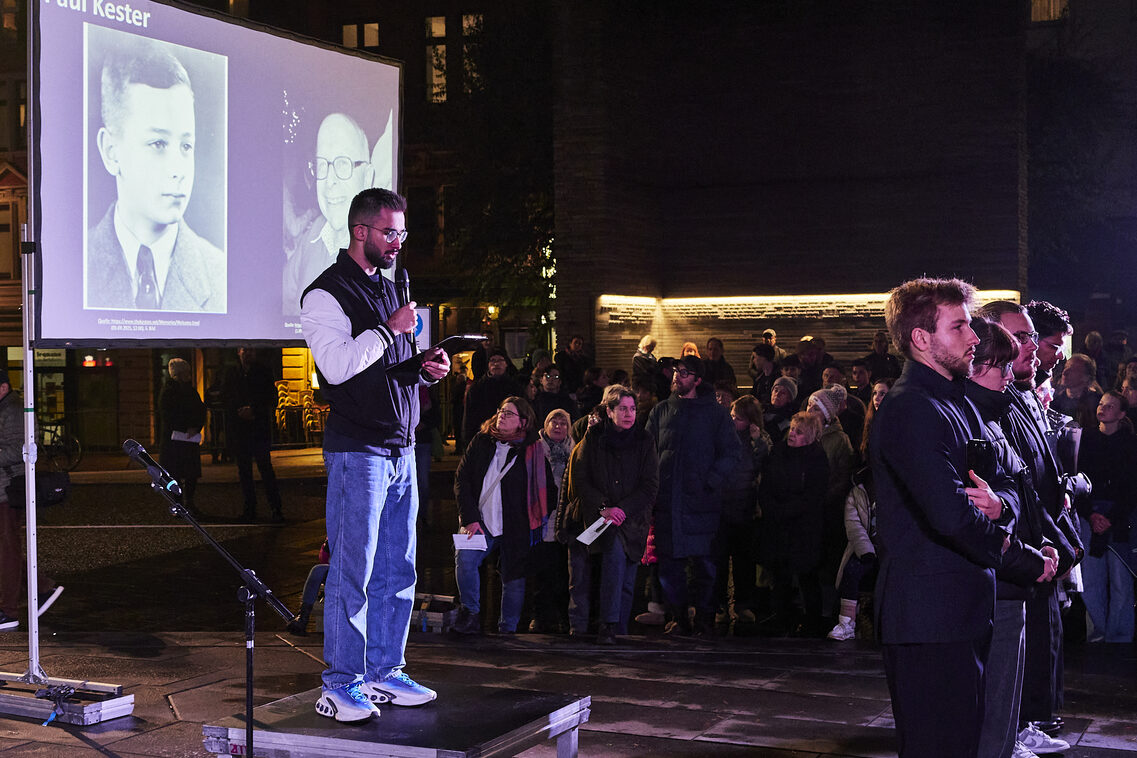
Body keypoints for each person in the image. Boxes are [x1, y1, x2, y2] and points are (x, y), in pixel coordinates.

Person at [870, 278, 1039, 758]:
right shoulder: (912, 408)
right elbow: (950, 516)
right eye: (960, 326)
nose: (972, 337)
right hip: (929, 620)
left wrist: (1001, 504)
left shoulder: (954, 398)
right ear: (921, 339)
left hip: (959, 613)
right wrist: (1023, 557)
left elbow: (1002, 479)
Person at [301, 187, 450, 721]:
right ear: (360, 231)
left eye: (402, 233)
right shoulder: (324, 294)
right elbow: (339, 367)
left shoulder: (392, 290)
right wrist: (390, 330)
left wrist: (425, 364)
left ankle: (386, 672)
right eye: (390, 233)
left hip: (401, 446)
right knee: (352, 571)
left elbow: (389, 366)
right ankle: (342, 682)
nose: (397, 243)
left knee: (398, 568)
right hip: (357, 449)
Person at [984, 300, 1082, 750]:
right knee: (1007, 654)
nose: (1033, 350)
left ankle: (1025, 724)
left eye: (1029, 337)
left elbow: (1032, 472)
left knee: (1034, 644)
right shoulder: (991, 398)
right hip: (1012, 547)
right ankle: (1012, 730)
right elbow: (1007, 480)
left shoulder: (1023, 393)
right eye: (1020, 338)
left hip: (1035, 539)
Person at [965, 318, 1057, 758]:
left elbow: (1017, 487)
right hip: (995, 573)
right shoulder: (971, 414)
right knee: (989, 700)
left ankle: (1013, 738)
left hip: (1012, 567)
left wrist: (1041, 539)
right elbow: (969, 507)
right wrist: (1027, 553)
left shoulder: (1000, 409)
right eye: (999, 363)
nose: (1008, 373)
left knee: (1003, 698)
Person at [88, 38, 226, 312]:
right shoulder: (75, 263)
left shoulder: (219, 273)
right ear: (111, 151)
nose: (178, 170)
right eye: (158, 144)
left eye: (186, 146)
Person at [645, 355, 740, 637]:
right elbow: (647, 453)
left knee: (704, 567)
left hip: (700, 502)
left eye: (684, 373)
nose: (677, 376)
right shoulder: (660, 411)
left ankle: (704, 619)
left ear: (697, 379)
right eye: (675, 371)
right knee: (669, 567)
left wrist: (710, 481)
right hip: (667, 502)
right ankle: (679, 618)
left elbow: (732, 452)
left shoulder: (715, 413)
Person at [558, 388, 658, 643]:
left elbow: (649, 485)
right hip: (601, 517)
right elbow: (581, 478)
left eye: (632, 409)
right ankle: (608, 625)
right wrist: (604, 507)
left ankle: (619, 627)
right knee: (611, 563)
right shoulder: (594, 438)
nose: (629, 414)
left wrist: (623, 508)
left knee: (627, 574)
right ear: (610, 411)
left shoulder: (644, 440)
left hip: (631, 517)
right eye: (623, 408)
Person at [452, 397, 553, 635]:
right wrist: (470, 518)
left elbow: (547, 486)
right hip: (480, 522)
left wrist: (532, 515)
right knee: (465, 561)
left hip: (516, 526)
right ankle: (471, 613)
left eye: (509, 413)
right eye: (501, 411)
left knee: (513, 578)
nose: (502, 415)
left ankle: (507, 628)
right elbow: (462, 479)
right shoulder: (481, 441)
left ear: (523, 422)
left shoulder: (532, 449)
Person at [284, 113, 374, 315]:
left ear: (367, 177)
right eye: (322, 165)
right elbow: (284, 302)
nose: (330, 180)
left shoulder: (382, 253)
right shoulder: (313, 236)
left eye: (343, 164)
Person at [0, 372, 63, 631]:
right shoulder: (8, 408)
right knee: (7, 548)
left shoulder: (14, 410)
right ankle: (43, 588)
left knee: (7, 549)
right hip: (5, 487)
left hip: (6, 489)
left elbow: (21, 448)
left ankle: (8, 610)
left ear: (3, 387)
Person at [758, 411, 829, 635]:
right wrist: (772, 508)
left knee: (806, 575)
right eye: (792, 429)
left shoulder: (817, 458)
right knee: (781, 575)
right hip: (779, 525)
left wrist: (787, 510)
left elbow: (813, 495)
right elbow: (766, 484)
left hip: (803, 527)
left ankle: (812, 621)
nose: (792, 434)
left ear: (809, 436)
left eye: (799, 432)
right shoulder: (778, 453)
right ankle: (781, 618)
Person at [1075, 391, 1137, 643]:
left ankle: (1119, 635)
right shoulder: (1086, 439)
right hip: (1090, 514)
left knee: (1121, 580)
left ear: (1121, 414)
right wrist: (1090, 514)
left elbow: (1132, 486)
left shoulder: (1131, 444)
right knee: (1091, 579)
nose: (1103, 409)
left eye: (1110, 406)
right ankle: (1100, 629)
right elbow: (1078, 480)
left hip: (1120, 518)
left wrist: (1111, 516)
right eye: (1101, 404)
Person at [714, 395, 771, 625]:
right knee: (717, 560)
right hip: (721, 506)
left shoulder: (758, 440)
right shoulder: (723, 438)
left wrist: (757, 441)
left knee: (743, 561)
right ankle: (719, 605)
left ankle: (743, 604)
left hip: (745, 508)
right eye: (732, 416)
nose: (732, 421)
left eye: (737, 418)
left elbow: (764, 463)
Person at [222, 348, 283, 523]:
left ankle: (275, 507)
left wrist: (254, 410)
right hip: (240, 429)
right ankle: (250, 508)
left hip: (258, 428)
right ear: (239, 352)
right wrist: (238, 410)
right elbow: (225, 396)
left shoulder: (263, 371)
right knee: (244, 472)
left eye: (251, 350)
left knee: (266, 469)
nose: (248, 354)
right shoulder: (232, 372)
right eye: (245, 350)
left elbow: (272, 397)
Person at [527, 409, 574, 634]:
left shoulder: (575, 451)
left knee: (564, 574)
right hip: (542, 519)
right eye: (553, 422)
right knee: (542, 572)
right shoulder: (534, 450)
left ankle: (564, 617)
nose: (558, 426)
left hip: (565, 520)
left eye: (563, 423)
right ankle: (540, 616)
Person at [159, 358, 206, 516]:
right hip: (177, 439)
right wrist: (191, 427)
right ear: (179, 374)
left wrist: (194, 426)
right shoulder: (171, 392)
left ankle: (185, 503)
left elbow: (200, 411)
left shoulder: (187, 391)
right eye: (186, 372)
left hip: (180, 438)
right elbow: (169, 415)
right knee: (179, 473)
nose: (189, 375)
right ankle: (181, 503)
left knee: (186, 473)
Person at [462, 350, 517, 448]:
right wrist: (468, 440)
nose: (496, 364)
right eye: (492, 360)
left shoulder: (515, 387)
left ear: (506, 364)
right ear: (488, 365)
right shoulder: (477, 388)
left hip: (510, 438)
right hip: (483, 438)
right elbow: (469, 417)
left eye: (500, 360)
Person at [288, 538, 331, 636]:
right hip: (342, 570)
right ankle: (303, 618)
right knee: (318, 570)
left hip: (361, 570)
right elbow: (323, 559)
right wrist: (328, 545)